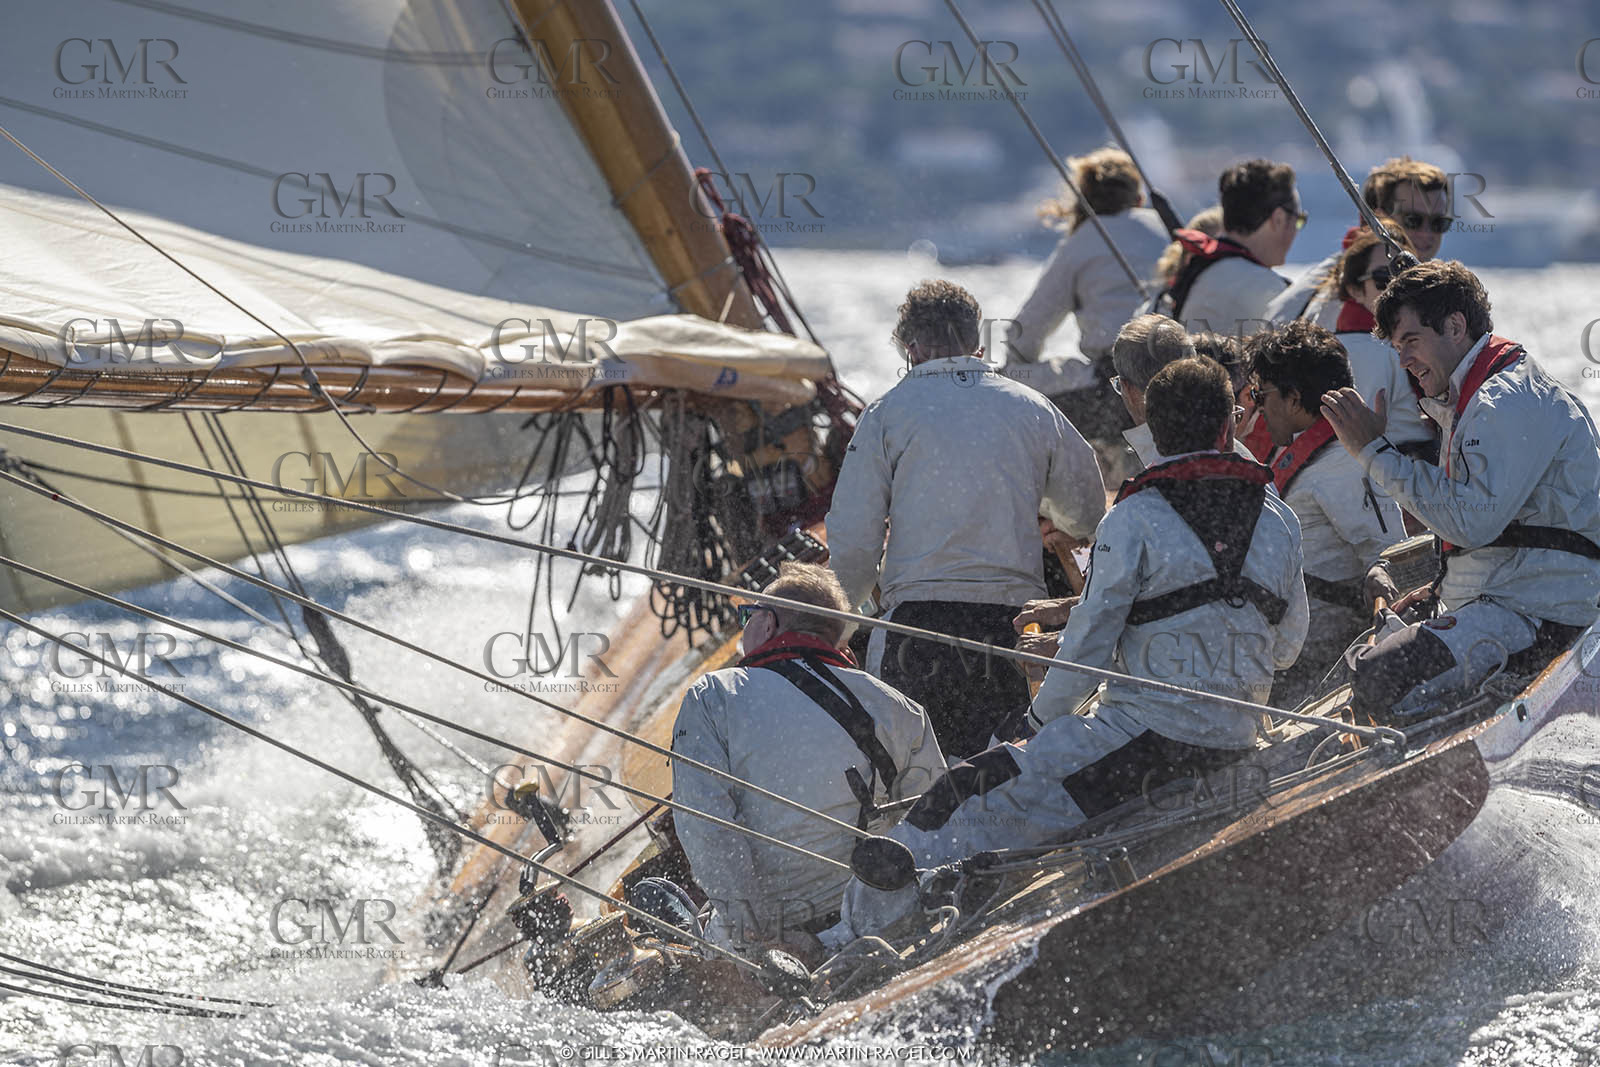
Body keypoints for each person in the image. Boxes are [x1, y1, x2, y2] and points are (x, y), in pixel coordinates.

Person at [828, 357, 1308, 943]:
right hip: (1238, 735)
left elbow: (1086, 651)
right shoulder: (1280, 519)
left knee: (960, 795)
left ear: (1151, 432)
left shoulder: (1134, 517)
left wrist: (1034, 725)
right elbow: (1287, 649)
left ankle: (849, 944)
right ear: (1229, 426)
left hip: (1149, 750)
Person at [826, 280, 1106, 759]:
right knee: (1001, 771)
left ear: (911, 349)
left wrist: (840, 626)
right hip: (1011, 631)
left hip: (915, 633)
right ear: (978, 343)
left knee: (913, 775)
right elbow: (1086, 513)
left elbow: (854, 542)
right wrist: (1049, 514)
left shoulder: (886, 414)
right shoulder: (1033, 407)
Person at [1321, 261, 1600, 724]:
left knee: (1381, 675)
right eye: (1397, 348)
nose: (1404, 360)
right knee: (1377, 656)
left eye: (1411, 341)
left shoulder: (1505, 401)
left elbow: (1472, 522)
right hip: (1515, 601)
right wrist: (1442, 589)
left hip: (1541, 617)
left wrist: (1374, 452)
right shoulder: (1485, 395)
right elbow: (1498, 530)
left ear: (1454, 326)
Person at [670, 563, 947, 954]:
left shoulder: (714, 695)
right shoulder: (898, 707)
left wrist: (760, 934)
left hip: (778, 939)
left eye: (747, 616)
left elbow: (706, 827)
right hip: (882, 917)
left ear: (767, 623)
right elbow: (935, 823)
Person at [1246, 322, 1404, 706]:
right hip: (1279, 642)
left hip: (1317, 655)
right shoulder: (1301, 453)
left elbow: (1392, 555)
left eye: (1261, 394)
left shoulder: (1344, 467)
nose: (1257, 406)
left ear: (1294, 399)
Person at [1004, 148, 1171, 458]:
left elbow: (1027, 330)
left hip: (1112, 388)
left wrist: (1017, 368)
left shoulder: (1081, 242)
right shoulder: (1166, 230)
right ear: (1138, 200)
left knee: (1006, 384)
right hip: (1175, 378)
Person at [1267, 156, 1452, 328]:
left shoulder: (1331, 275)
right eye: (1413, 220)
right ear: (1377, 218)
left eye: (1438, 222)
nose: (1426, 233)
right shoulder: (1367, 290)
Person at [1158, 159, 1301, 337]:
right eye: (1298, 220)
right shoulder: (1272, 293)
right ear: (1278, 219)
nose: (1297, 230)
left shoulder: (1192, 271)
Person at [1332, 224, 1436, 460]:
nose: (1397, 288)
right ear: (1355, 290)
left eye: (1406, 276)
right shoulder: (1369, 349)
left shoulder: (1366, 343)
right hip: (1403, 464)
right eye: (1383, 278)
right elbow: (1355, 441)